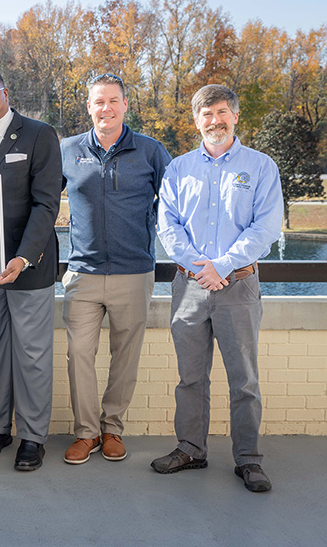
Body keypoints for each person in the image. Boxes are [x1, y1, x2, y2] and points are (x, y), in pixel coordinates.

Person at [152, 84, 282, 493]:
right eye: (206, 115)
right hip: (189, 289)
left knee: (243, 379)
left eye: (222, 112)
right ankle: (190, 448)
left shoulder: (261, 167)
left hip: (238, 288)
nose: (215, 121)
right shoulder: (178, 169)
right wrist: (198, 267)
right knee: (190, 378)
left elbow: (265, 227)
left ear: (235, 116)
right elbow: (167, 226)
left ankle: (248, 459)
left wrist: (221, 266)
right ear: (196, 121)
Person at [59, 74, 171, 465]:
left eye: (113, 101)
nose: (105, 108)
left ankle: (112, 430)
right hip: (83, 273)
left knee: (126, 356)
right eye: (98, 102)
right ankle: (86, 433)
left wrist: (149, 226)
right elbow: (41, 202)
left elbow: (173, 203)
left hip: (133, 272)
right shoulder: (68, 150)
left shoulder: (151, 150)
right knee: (78, 354)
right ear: (88, 107)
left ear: (125, 104)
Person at [0, 66, 62, 472]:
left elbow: (46, 204)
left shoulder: (39, 134)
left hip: (27, 267)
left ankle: (32, 437)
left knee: (33, 354)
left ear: (5, 93)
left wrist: (22, 258)